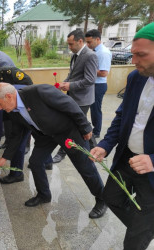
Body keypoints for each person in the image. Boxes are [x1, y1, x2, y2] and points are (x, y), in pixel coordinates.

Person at [0, 83, 107, 218]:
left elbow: (69, 104)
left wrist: (85, 127)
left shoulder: (38, 91)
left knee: (85, 166)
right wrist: (4, 158)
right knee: (35, 162)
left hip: (68, 131)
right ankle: (44, 194)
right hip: (46, 135)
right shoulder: (13, 110)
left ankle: (102, 199)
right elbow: (16, 135)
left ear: (9, 96)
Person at [90, 22, 154, 249]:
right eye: (133, 54)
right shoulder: (136, 77)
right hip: (127, 157)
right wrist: (106, 144)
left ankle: (142, 231)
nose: (134, 60)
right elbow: (122, 117)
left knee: (134, 240)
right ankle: (144, 228)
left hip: (151, 172)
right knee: (112, 198)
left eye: (141, 54)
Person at [53, 29, 98, 163]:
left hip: (83, 99)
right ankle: (94, 148)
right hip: (73, 96)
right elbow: (73, 74)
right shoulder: (75, 55)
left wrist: (70, 86)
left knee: (73, 124)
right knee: (81, 122)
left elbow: (90, 80)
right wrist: (65, 83)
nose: (69, 47)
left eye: (71, 44)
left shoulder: (90, 56)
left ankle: (62, 152)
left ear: (80, 41)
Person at [85, 29, 112, 141]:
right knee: (90, 108)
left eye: (90, 42)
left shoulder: (103, 53)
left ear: (97, 39)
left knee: (95, 109)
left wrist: (87, 69)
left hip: (98, 85)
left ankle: (96, 132)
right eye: (86, 42)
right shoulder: (94, 51)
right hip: (92, 84)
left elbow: (103, 72)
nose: (88, 44)